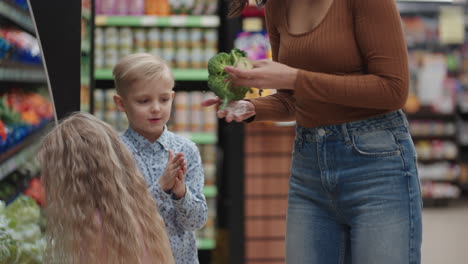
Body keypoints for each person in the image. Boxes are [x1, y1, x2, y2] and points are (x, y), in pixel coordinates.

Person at [204, 0, 423, 263]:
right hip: (309, 168)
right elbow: (293, 99)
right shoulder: (278, 6)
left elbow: (393, 90)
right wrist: (250, 106)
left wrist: (294, 78)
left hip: (376, 166)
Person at [38, 112, 174, 264]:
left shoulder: (92, 228)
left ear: (73, 179)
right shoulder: (134, 209)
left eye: (49, 172)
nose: (43, 180)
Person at [112, 53, 208, 264]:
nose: (156, 108)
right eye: (144, 101)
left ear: (172, 98)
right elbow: (119, 221)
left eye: (163, 99)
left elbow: (197, 221)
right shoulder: (114, 152)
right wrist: (161, 187)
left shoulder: (186, 150)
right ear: (121, 103)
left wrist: (181, 193)